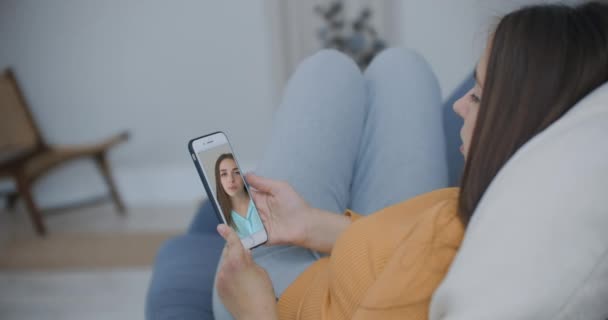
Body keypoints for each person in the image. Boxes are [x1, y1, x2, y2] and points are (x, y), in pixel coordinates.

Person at [213, 2, 608, 319]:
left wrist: (254, 309)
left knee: (326, 69)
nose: (456, 105)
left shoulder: (461, 264)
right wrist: (311, 225)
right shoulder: (501, 204)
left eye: (477, 95)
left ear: (517, 119)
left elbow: (415, 261)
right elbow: (406, 246)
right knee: (403, 65)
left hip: (279, 295)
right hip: (367, 255)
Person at [214, 153, 263, 238]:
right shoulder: (222, 216)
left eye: (237, 172)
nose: (231, 180)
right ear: (219, 180)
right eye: (224, 174)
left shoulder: (259, 199)